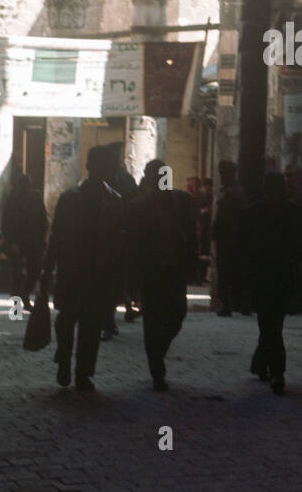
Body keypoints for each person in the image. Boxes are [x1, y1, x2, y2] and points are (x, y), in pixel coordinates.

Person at [40, 144, 125, 392]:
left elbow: (119, 242)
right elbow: (56, 237)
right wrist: (47, 270)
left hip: (99, 272)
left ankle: (84, 372)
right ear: (90, 167)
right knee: (66, 320)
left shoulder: (115, 200)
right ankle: (65, 359)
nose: (109, 169)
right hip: (72, 270)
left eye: (110, 164)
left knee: (91, 324)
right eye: (104, 164)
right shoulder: (70, 198)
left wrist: (118, 277)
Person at [235, 172, 302, 395]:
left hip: (263, 278)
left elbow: (240, 250)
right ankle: (267, 367)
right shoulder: (295, 213)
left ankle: (274, 371)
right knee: (273, 324)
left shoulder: (252, 213)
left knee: (269, 324)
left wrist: (240, 280)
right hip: (284, 277)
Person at [126, 160, 198, 391]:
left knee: (178, 314)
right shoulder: (138, 207)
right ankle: (156, 367)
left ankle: (158, 353)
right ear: (149, 178)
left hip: (174, 269)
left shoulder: (182, 202)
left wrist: (192, 264)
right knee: (152, 320)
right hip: (151, 271)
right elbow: (133, 245)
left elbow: (191, 235)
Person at [101, 143, 139, 336]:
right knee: (116, 279)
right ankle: (112, 317)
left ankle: (110, 319)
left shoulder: (113, 182)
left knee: (113, 280)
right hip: (117, 238)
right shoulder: (122, 180)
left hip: (114, 238)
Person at [1, 173, 47, 308]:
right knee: (17, 274)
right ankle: (16, 307)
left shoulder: (36, 198)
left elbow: (43, 220)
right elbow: (6, 223)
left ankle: (25, 295)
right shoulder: (13, 200)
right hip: (17, 241)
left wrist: (43, 239)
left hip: (34, 240)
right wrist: (11, 242)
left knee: (35, 270)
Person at [211, 160, 248, 316]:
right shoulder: (230, 191)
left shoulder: (234, 192)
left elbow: (229, 218)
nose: (221, 175)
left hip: (229, 238)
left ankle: (229, 305)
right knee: (231, 272)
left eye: (223, 172)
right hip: (227, 238)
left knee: (229, 272)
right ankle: (236, 304)